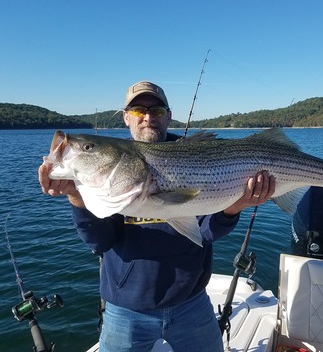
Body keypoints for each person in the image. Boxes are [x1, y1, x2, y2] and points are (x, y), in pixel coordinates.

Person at [38, 81, 275, 352]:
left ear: (169, 116)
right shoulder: (112, 171)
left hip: (192, 302)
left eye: (157, 110)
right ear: (126, 117)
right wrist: (76, 196)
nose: (148, 117)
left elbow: (205, 234)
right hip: (125, 310)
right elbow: (100, 243)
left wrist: (235, 205)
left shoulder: (194, 153)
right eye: (138, 110)